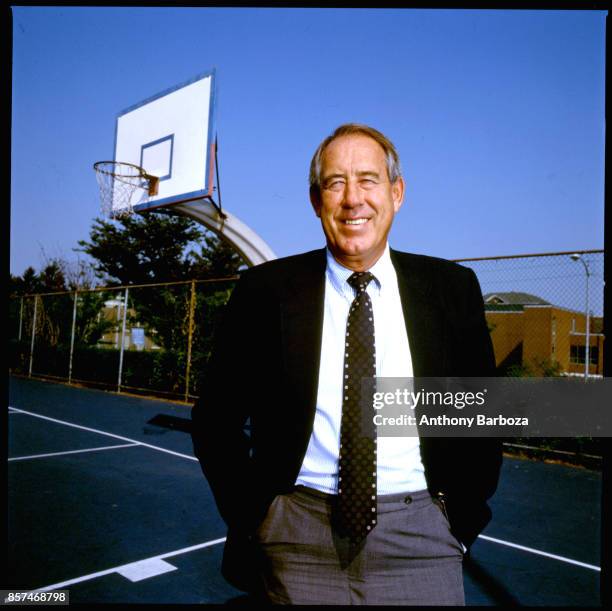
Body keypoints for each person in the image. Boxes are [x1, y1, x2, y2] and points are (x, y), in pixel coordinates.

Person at [191, 123, 502, 605]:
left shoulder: (451, 289)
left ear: (396, 193)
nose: (353, 199)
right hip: (297, 539)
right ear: (317, 201)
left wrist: (458, 524)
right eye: (336, 183)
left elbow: (481, 415)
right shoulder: (265, 291)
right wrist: (258, 515)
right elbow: (215, 419)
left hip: (422, 541)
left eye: (368, 180)